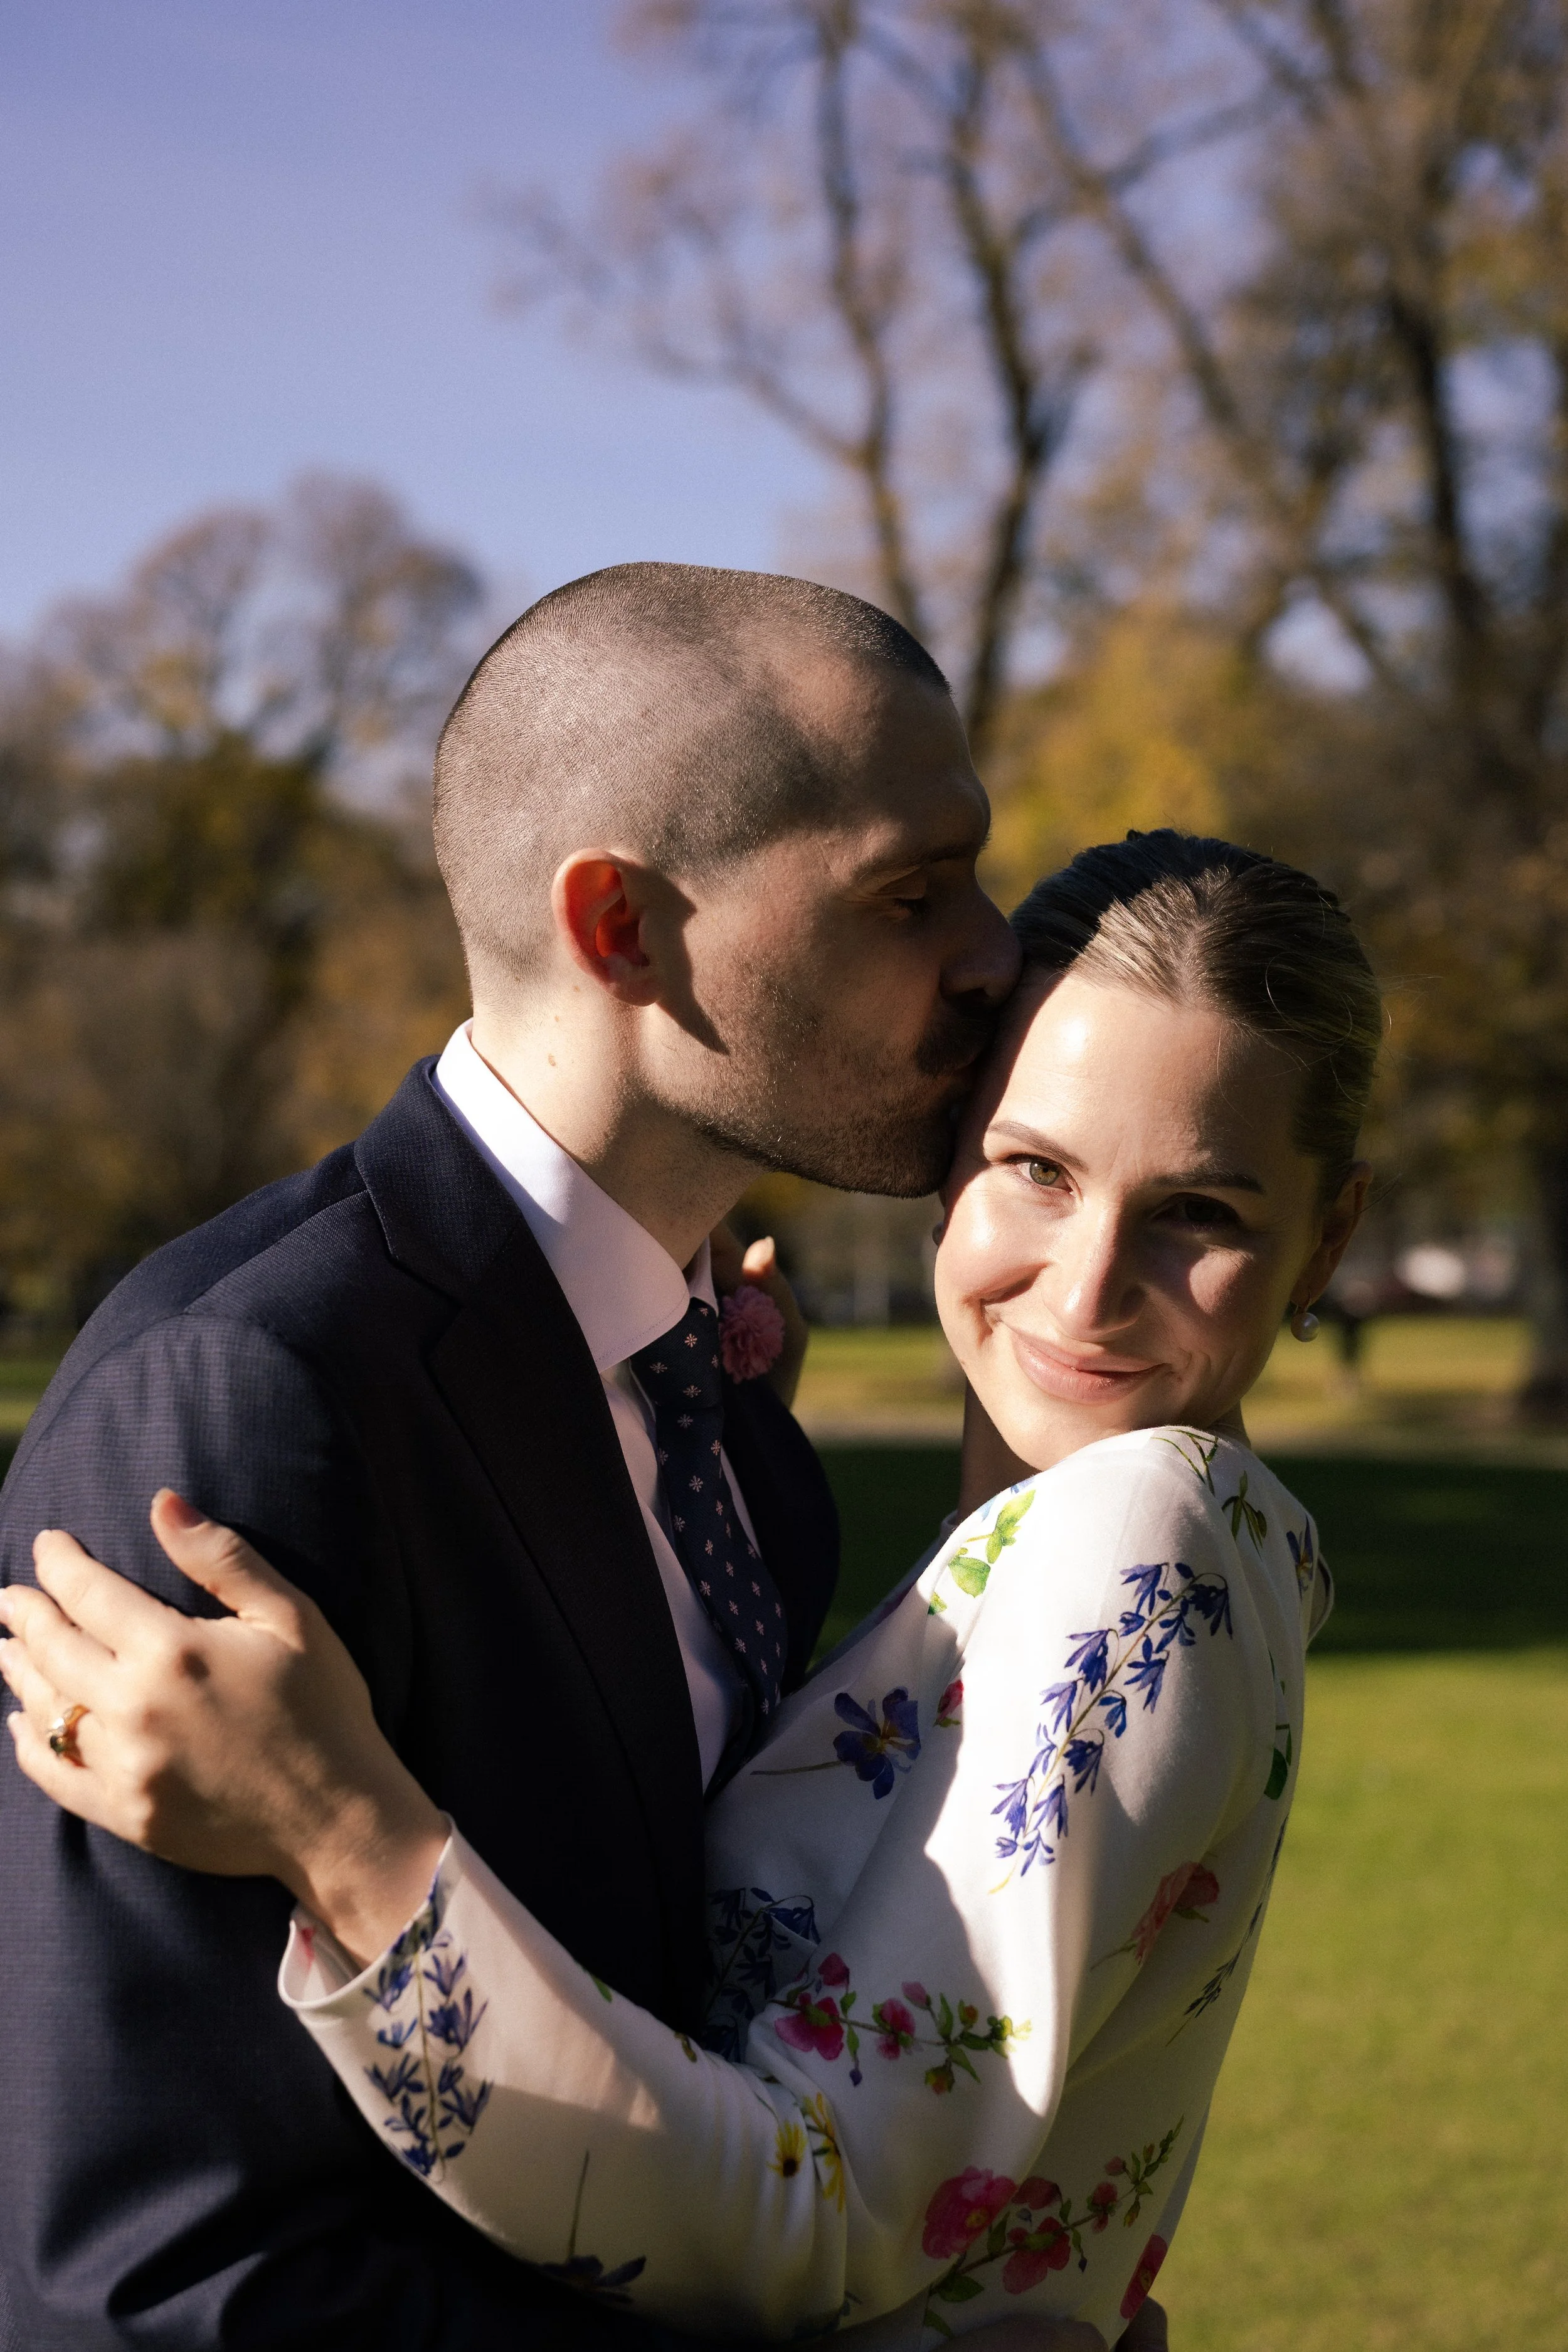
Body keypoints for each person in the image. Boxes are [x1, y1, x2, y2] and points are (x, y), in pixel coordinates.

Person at [1, 833, 1377, 2347]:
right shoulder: (1096, 1539)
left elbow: (822, 2215)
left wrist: (339, 1837)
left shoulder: (1141, 1536)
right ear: (946, 1155)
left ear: (1327, 1237)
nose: (1086, 1283)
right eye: (1035, 1170)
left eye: (1200, 1214)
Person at [0, 565, 1026, 2352]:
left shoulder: (731, 1419)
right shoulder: (248, 1401)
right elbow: (158, 2281)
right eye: (906, 892)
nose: (992, 949)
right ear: (621, 926)